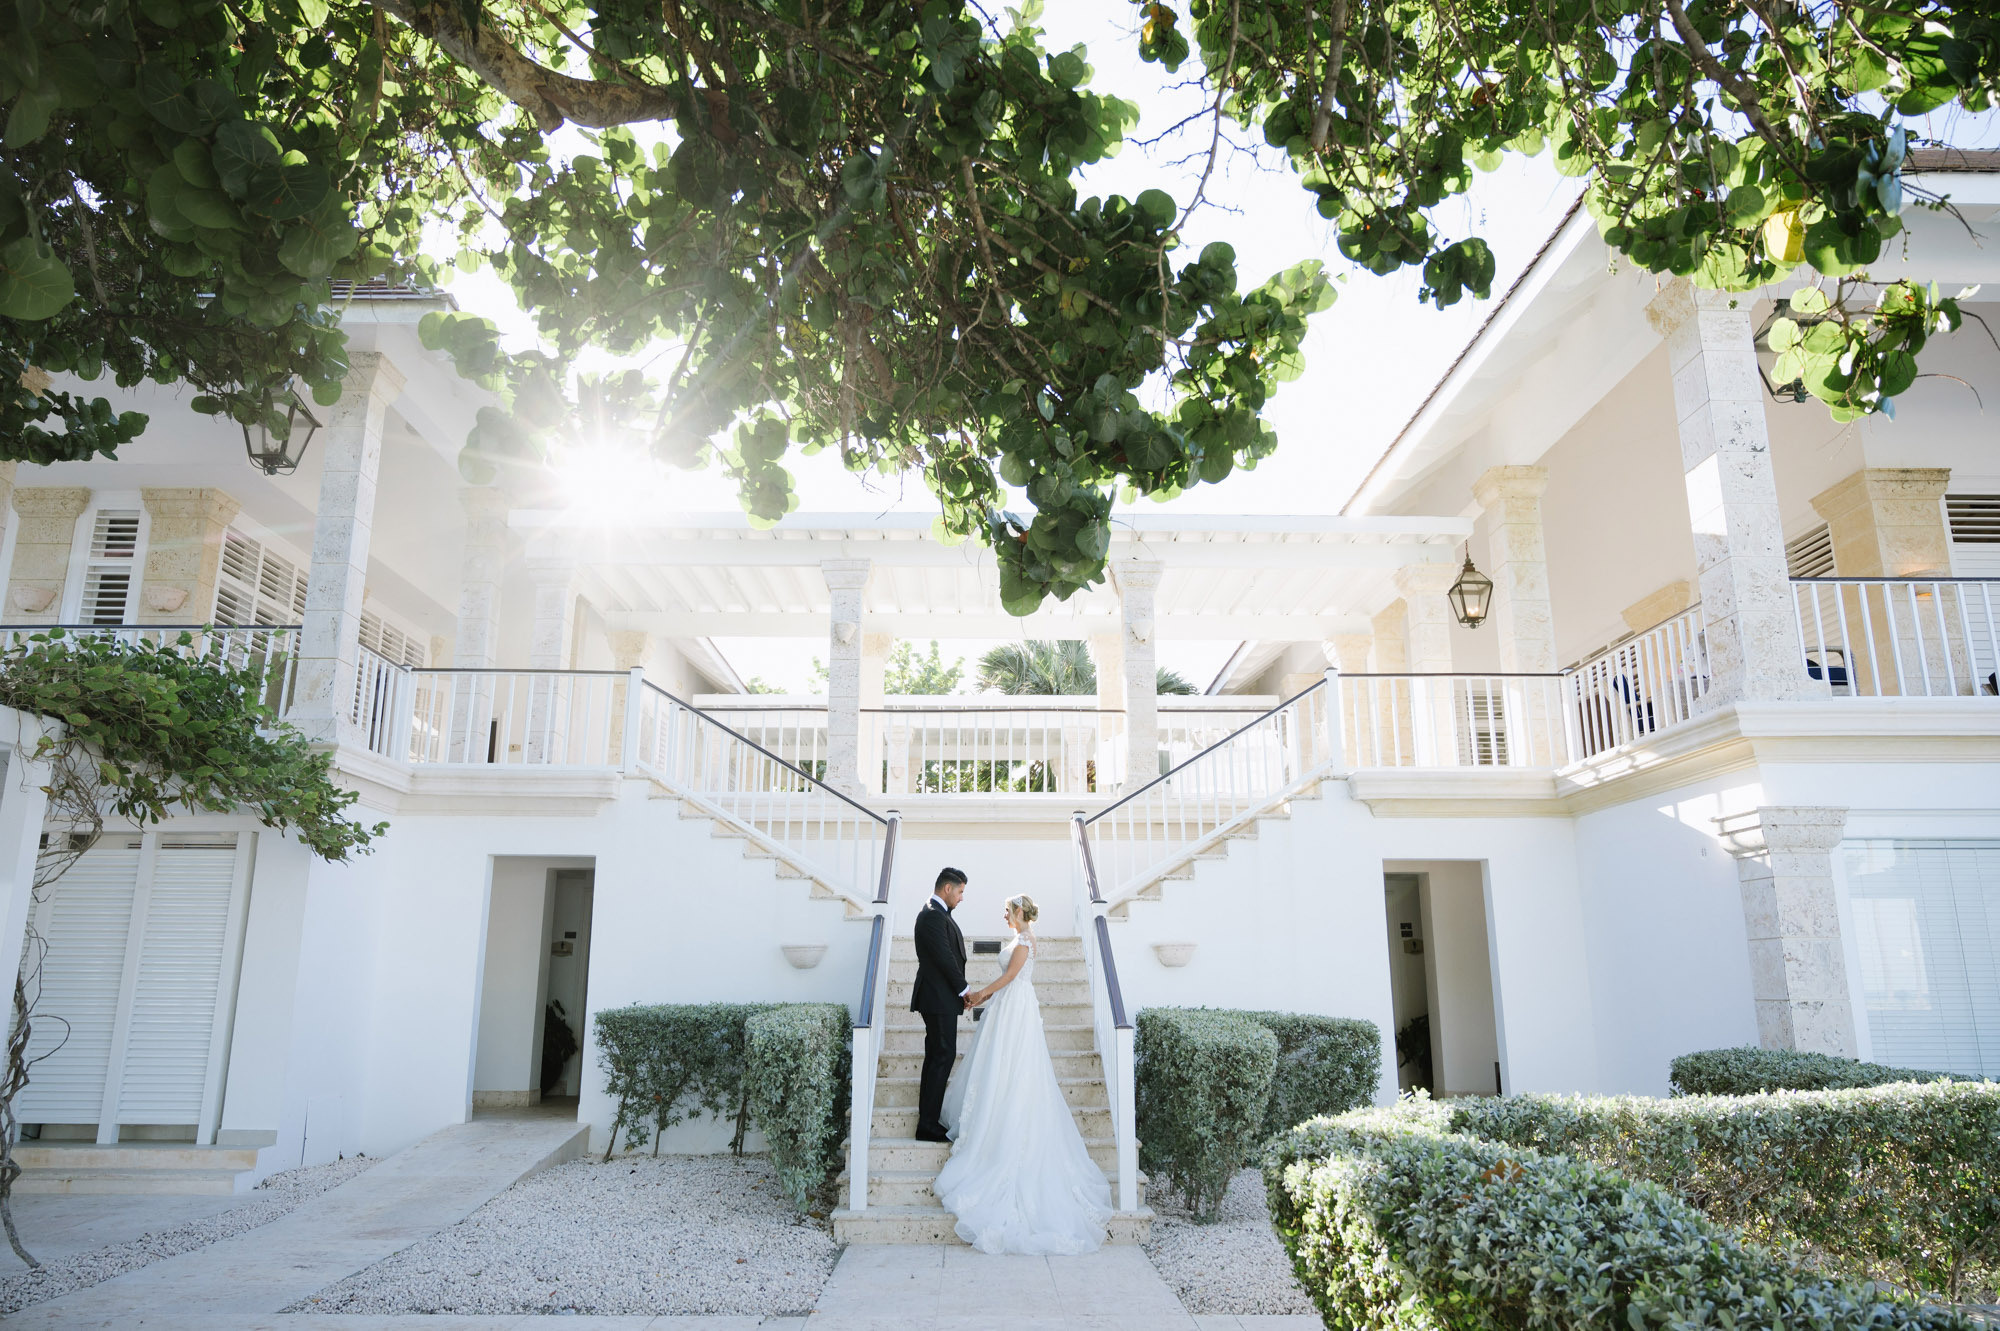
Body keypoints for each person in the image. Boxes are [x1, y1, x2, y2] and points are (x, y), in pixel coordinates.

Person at [934, 893, 1113, 1254]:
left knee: (1013, 1068)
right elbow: (1010, 977)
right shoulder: (1020, 938)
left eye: (1007, 911)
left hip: (1015, 1008)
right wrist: (985, 996)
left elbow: (1011, 976)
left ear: (1018, 911)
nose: (1004, 916)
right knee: (1000, 1068)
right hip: (1011, 1006)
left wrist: (980, 994)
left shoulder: (1025, 941)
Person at [909, 866, 971, 1143]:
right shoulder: (933, 914)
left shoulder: (938, 913)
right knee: (942, 1055)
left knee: (938, 1055)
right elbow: (945, 957)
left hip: (940, 997)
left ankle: (928, 1121)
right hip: (937, 997)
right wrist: (964, 990)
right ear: (947, 888)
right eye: (960, 891)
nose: (961, 897)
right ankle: (927, 1125)